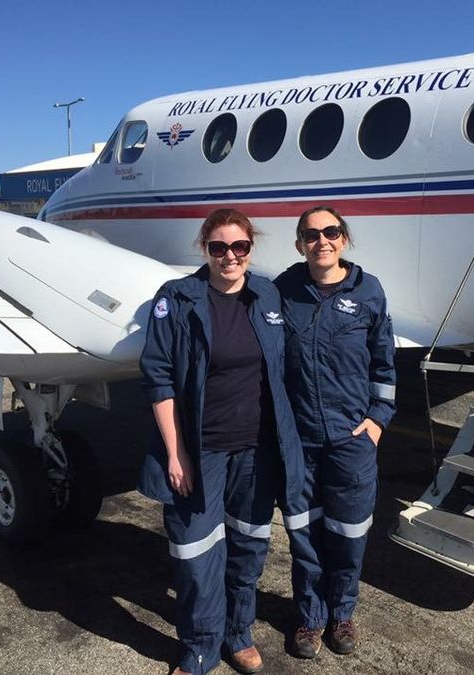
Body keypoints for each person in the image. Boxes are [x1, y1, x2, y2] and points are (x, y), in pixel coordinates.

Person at [138, 208, 303, 675]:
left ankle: (238, 633)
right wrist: (176, 453)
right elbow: (159, 379)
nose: (229, 256)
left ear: (251, 248)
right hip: (201, 450)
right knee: (195, 554)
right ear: (204, 249)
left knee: (249, 547)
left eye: (240, 247)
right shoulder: (177, 299)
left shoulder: (267, 295)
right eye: (219, 247)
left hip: (255, 451)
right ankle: (198, 648)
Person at [275, 205, 396, 658]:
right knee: (304, 533)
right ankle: (310, 618)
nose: (321, 241)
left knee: (348, 533)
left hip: (352, 439)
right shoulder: (284, 290)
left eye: (330, 232)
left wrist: (378, 419)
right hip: (300, 439)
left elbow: (384, 363)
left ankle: (342, 613)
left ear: (343, 238)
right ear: (300, 243)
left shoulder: (369, 291)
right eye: (311, 234)